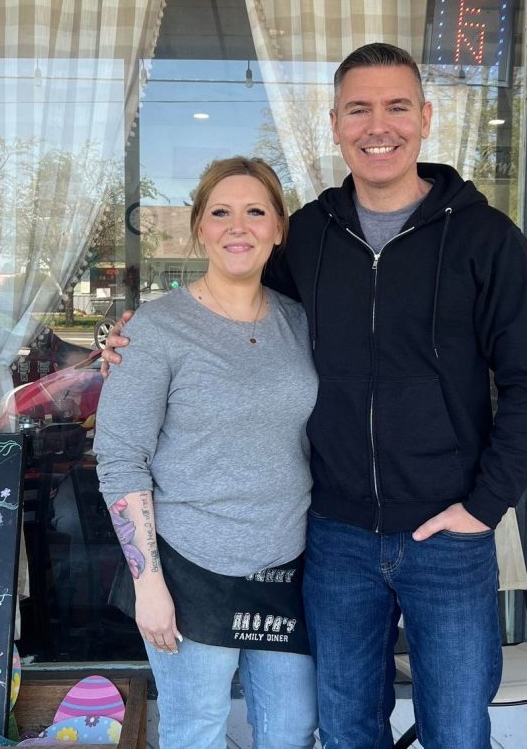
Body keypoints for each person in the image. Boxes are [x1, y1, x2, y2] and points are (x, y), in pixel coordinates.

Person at [104, 43, 527, 748]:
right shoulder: (311, 236)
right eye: (359, 109)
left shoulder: (485, 239)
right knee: (347, 729)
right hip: (336, 538)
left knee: (459, 731)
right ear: (334, 124)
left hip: (448, 532)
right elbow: (230, 304)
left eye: (396, 106)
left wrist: (484, 507)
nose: (379, 125)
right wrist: (129, 344)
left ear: (426, 118)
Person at [93, 157, 319, 749]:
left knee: (291, 731)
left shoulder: (299, 322)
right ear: (199, 228)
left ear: (278, 227)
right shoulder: (155, 329)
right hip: (190, 569)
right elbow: (120, 459)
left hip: (287, 568)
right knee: (196, 732)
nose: (237, 226)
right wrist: (148, 584)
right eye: (220, 212)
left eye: (254, 212)